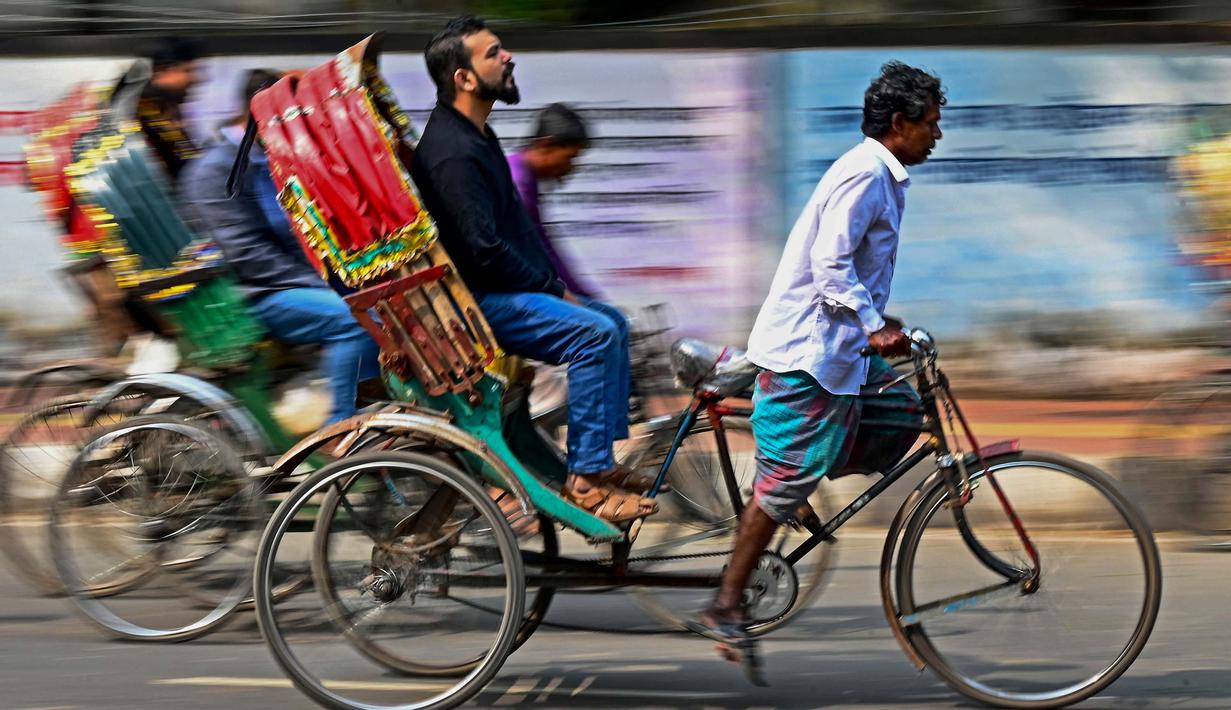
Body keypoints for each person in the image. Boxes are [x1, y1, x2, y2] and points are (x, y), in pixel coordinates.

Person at [688, 61, 944, 678]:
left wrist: (880, 322)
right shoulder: (864, 176)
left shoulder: (879, 176)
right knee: (784, 482)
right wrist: (873, 325)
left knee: (903, 409)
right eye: (932, 124)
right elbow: (832, 266)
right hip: (811, 353)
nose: (938, 135)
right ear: (901, 123)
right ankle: (724, 604)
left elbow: (850, 273)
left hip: (835, 351)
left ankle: (799, 475)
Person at [410, 16, 655, 524]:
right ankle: (585, 480)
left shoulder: (479, 137)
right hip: (475, 303)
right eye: (494, 53)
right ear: (465, 78)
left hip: (497, 292)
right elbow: (483, 249)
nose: (508, 58)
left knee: (613, 321)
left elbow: (520, 234)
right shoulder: (452, 152)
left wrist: (561, 289)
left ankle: (599, 465)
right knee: (593, 335)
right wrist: (551, 289)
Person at [180, 69, 381, 424]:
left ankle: (363, 402)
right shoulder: (214, 171)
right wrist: (325, 285)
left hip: (295, 281)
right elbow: (248, 255)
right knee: (357, 320)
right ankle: (341, 428)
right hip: (259, 294)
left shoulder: (274, 157)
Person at [508, 103, 603, 300]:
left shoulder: (522, 174)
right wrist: (582, 295)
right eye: (570, 157)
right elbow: (540, 252)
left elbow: (544, 247)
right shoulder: (519, 182)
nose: (571, 167)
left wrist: (583, 293)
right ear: (546, 145)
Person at [138, 37, 204, 182]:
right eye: (187, 71)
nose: (195, 79)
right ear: (162, 70)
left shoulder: (166, 110)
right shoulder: (144, 114)